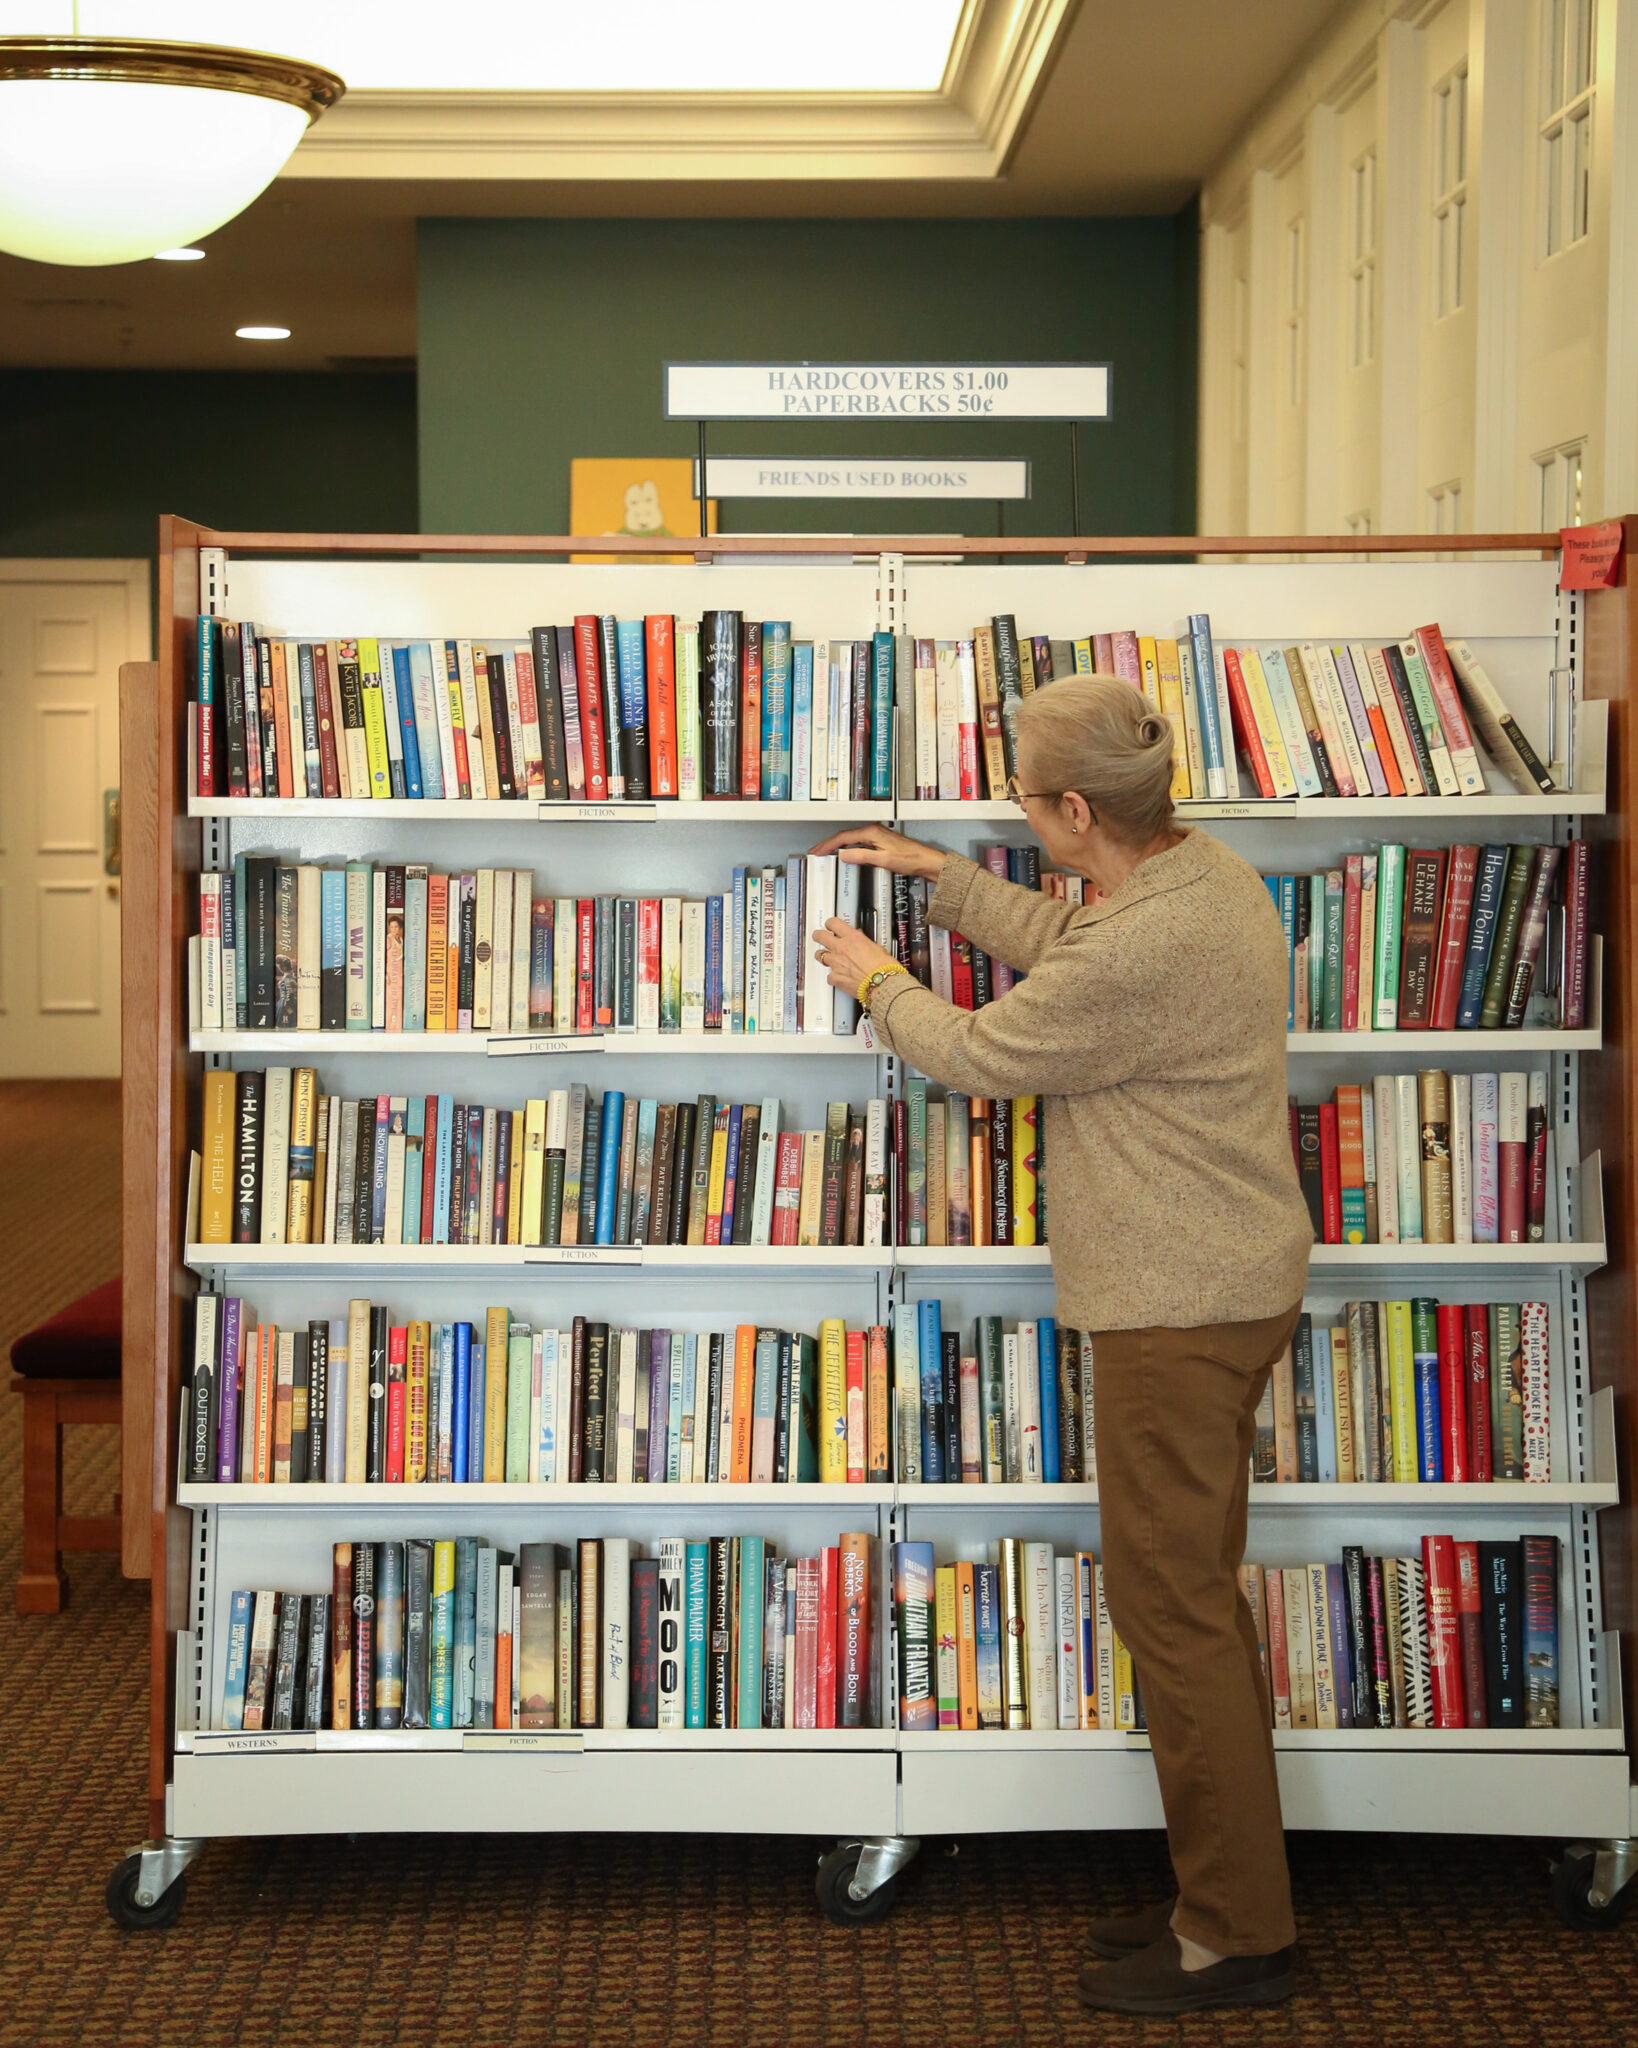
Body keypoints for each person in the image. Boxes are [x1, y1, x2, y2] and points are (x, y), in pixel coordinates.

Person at [810, 674, 1313, 2018]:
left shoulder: (1141, 941)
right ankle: (1224, 1900)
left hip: (1175, 1306)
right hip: (1220, 1284)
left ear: (1073, 808)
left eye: (1023, 799)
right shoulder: (1193, 878)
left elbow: (982, 1052)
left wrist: (877, 981)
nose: (1014, 815)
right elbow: (1076, 950)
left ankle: (1233, 1934)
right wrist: (946, 881)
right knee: (1192, 1598)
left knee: (1175, 1616)